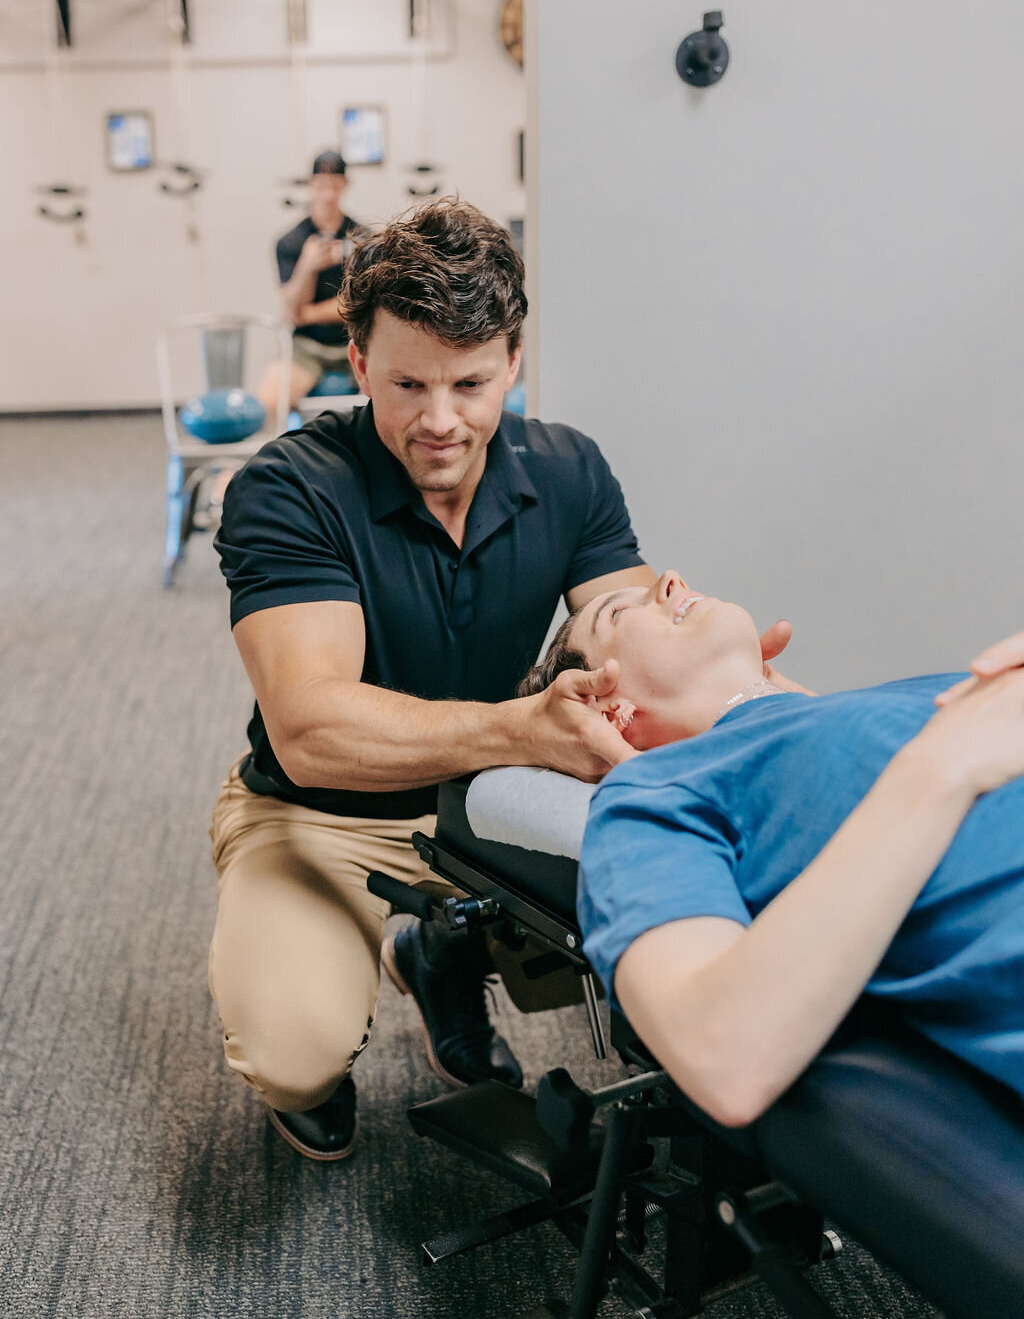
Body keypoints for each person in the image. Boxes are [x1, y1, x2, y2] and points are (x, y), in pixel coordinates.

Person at [211, 198, 798, 1162]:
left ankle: (435, 943)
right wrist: (524, 731)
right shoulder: (290, 488)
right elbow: (310, 728)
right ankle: (367, 991)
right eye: (408, 384)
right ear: (357, 363)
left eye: (472, 383)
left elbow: (634, 639)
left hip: (486, 802)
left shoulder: (571, 471)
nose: (442, 421)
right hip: (322, 810)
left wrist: (750, 693)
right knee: (293, 1052)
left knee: (706, 900)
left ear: (514, 362)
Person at [518, 571, 1024, 1123]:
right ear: (609, 711)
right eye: (617, 614)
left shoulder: (897, 700)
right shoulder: (655, 792)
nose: (668, 579)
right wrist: (939, 769)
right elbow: (717, 1057)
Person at [261, 149, 364, 411]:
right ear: (311, 185)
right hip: (306, 347)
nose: (328, 195)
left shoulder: (362, 239)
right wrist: (307, 267)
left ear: (345, 185)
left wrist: (305, 314)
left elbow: (360, 305)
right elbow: (291, 305)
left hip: (354, 341)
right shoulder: (291, 242)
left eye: (335, 186)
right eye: (322, 186)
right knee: (270, 401)